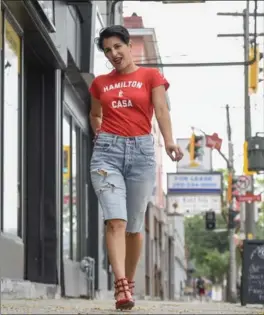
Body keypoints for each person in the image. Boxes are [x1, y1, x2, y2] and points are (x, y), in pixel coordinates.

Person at [89, 25, 183, 310]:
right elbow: (95, 113)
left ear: (129, 45)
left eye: (117, 46)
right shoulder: (100, 83)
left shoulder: (150, 76)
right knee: (115, 220)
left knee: (133, 225)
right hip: (107, 154)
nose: (113, 54)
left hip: (142, 152)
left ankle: (128, 285)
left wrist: (168, 142)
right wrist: (101, 135)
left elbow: (161, 110)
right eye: (107, 50)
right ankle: (120, 287)